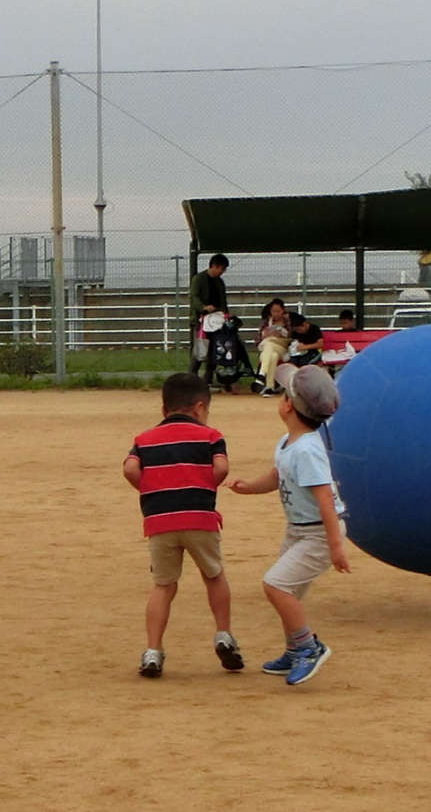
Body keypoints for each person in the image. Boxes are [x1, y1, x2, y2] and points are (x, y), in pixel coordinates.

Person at [230, 363, 350, 686]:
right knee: (290, 591)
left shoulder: (307, 450)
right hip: (299, 530)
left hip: (319, 534)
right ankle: (294, 650)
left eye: (284, 393)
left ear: (289, 406)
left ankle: (309, 648)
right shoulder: (288, 442)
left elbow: (325, 498)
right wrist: (250, 487)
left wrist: (336, 547)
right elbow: (276, 475)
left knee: (276, 586)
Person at [123, 371, 243, 679]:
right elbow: (221, 468)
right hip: (199, 517)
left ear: (164, 409)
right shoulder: (210, 436)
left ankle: (153, 651)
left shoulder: (144, 439)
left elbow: (130, 468)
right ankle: (223, 635)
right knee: (213, 575)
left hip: (160, 520)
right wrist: (205, 483)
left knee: (163, 585)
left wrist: (150, 488)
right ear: (200, 407)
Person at [188, 253, 229, 387]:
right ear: (214, 266)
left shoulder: (220, 282)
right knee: (200, 351)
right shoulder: (198, 279)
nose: (222, 272)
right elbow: (194, 298)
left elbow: (223, 301)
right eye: (221, 269)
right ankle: (191, 379)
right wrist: (204, 308)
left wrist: (225, 315)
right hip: (201, 321)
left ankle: (208, 380)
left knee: (213, 352)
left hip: (217, 321)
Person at [252, 298, 291, 396]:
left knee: (269, 343)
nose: (276, 314)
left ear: (283, 310)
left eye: (278, 311)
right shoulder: (266, 322)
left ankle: (261, 375)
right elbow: (257, 340)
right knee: (272, 355)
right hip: (267, 349)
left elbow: (292, 338)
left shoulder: (288, 321)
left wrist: (281, 334)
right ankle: (270, 387)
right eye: (273, 311)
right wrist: (265, 335)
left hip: (282, 348)